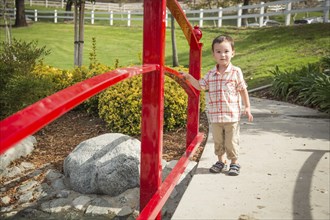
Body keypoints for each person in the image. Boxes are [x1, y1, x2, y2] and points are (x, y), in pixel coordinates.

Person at [182, 35, 253, 176]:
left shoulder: (236, 72)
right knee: (218, 141)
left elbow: (243, 89)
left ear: (233, 52)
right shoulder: (210, 74)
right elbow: (200, 86)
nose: (223, 55)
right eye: (218, 51)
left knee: (231, 141)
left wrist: (247, 107)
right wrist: (189, 78)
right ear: (213, 54)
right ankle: (221, 161)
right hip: (215, 116)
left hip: (231, 115)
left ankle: (234, 162)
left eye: (226, 51)